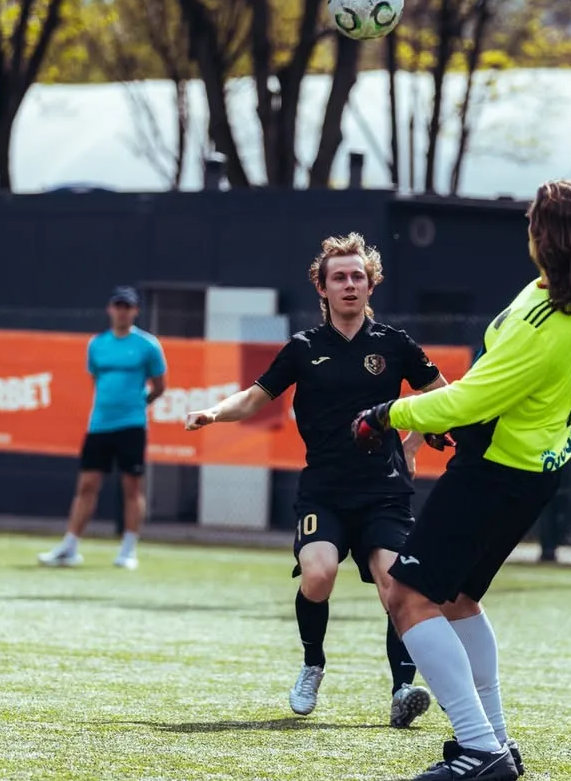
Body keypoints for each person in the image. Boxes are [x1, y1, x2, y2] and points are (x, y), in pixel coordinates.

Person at [351, 179, 571, 781]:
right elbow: (494, 392)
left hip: (497, 472)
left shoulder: (544, 319)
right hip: (529, 465)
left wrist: (387, 414)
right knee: (456, 601)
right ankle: (495, 741)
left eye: (532, 221)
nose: (527, 229)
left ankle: (478, 746)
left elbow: (471, 396)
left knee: (407, 598)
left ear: (546, 237)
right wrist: (458, 422)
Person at [184, 233, 448, 729]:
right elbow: (254, 397)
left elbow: (443, 397)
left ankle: (402, 689)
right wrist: (214, 413)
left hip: (384, 492)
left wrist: (413, 445)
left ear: (371, 285)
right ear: (322, 289)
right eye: (339, 277)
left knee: (397, 586)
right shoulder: (303, 349)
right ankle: (312, 664)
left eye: (357, 277)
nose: (349, 284)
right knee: (319, 574)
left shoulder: (394, 345)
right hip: (324, 492)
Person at [38, 286, 167, 570]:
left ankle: (128, 550)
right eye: (118, 306)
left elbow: (159, 386)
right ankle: (70, 547)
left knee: (132, 486)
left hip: (132, 425)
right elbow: (96, 381)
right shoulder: (97, 345)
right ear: (110, 309)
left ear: (135, 311)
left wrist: (137, 404)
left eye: (127, 307)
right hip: (99, 425)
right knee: (87, 485)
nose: (122, 312)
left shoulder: (148, 346)